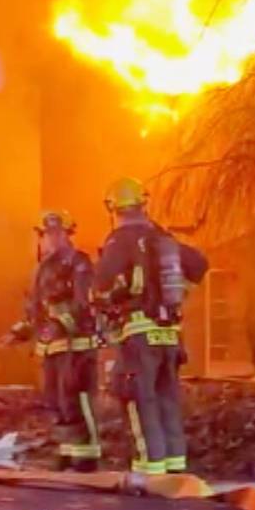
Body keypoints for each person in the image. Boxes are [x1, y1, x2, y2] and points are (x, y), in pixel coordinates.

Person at [93, 177, 208, 475]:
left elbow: (100, 282)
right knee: (167, 400)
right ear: (143, 204)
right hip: (170, 335)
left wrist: (112, 300)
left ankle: (149, 471)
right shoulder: (163, 239)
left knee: (140, 400)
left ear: (113, 207)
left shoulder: (120, 240)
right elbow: (199, 264)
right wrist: (181, 291)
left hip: (138, 334)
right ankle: (175, 469)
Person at [0, 210, 101, 471]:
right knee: (56, 403)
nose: (51, 239)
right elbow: (35, 311)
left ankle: (87, 456)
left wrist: (60, 323)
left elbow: (84, 304)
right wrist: (18, 332)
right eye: (47, 234)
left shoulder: (79, 263)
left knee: (76, 401)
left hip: (76, 347)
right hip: (52, 348)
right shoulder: (42, 269)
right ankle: (66, 451)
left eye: (57, 233)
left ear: (68, 235)